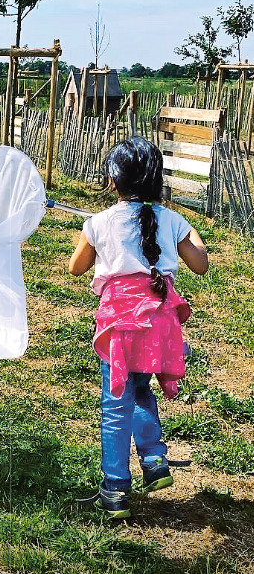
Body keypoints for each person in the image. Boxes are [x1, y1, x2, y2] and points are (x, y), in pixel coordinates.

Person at [69, 136, 209, 519]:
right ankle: (153, 460)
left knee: (116, 403)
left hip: (121, 327)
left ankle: (114, 490)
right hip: (160, 326)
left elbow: (76, 268)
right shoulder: (173, 220)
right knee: (141, 388)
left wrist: (90, 237)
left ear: (113, 180)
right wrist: (191, 233)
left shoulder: (97, 223)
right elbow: (200, 264)